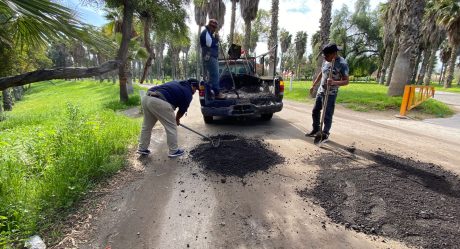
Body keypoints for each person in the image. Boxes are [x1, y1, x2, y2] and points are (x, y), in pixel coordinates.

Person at [137, 79, 199, 158]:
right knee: (171, 127)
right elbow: (182, 110)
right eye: (195, 89)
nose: (195, 91)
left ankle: (142, 148)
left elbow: (156, 88)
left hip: (146, 98)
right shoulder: (188, 92)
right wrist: (177, 119)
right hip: (159, 102)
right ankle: (174, 151)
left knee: (146, 126)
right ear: (192, 86)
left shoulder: (176, 82)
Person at [306, 43, 349, 143]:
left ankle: (325, 133)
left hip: (331, 93)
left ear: (334, 53)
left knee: (327, 114)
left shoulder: (342, 64)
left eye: (327, 56)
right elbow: (322, 72)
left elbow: (346, 81)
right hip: (321, 91)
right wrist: (314, 84)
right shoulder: (326, 61)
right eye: (324, 56)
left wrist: (334, 82)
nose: (325, 58)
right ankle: (316, 129)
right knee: (315, 111)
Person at [200, 19, 225, 99]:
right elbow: (209, 44)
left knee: (212, 76)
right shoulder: (206, 32)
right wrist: (216, 39)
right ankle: (217, 93)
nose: (214, 29)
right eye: (213, 27)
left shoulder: (209, 34)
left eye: (215, 27)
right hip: (209, 57)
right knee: (215, 75)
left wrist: (215, 38)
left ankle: (210, 91)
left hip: (211, 57)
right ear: (210, 26)